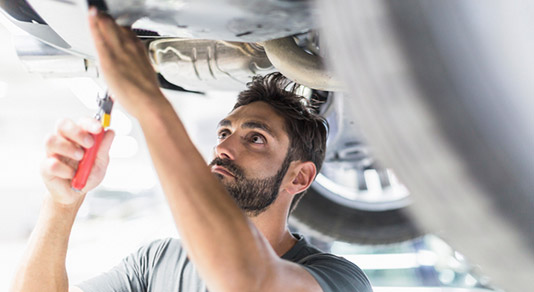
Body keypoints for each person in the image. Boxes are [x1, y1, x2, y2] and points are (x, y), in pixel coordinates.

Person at [11, 7, 372, 292]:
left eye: (256, 138)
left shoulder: (337, 279)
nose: (224, 147)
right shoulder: (157, 263)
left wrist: (150, 105)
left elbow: (249, 282)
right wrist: (62, 204)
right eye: (224, 131)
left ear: (300, 176)